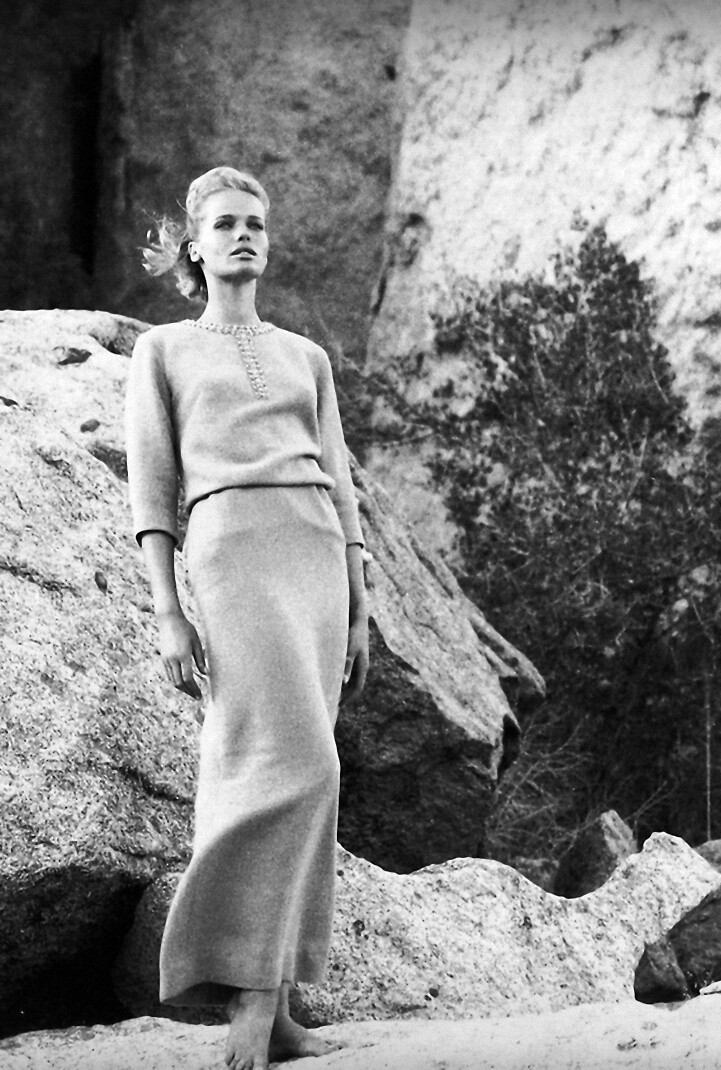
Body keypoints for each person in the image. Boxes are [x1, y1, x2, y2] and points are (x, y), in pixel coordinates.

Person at [125, 165, 368, 1070]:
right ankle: (250, 996)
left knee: (315, 770)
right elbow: (153, 486)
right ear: (194, 244)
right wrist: (168, 609)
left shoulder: (308, 357)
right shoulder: (163, 352)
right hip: (230, 553)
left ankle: (280, 1008)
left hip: (317, 557)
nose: (243, 236)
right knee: (279, 764)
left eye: (255, 224)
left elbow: (340, 481)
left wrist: (361, 604)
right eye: (225, 223)